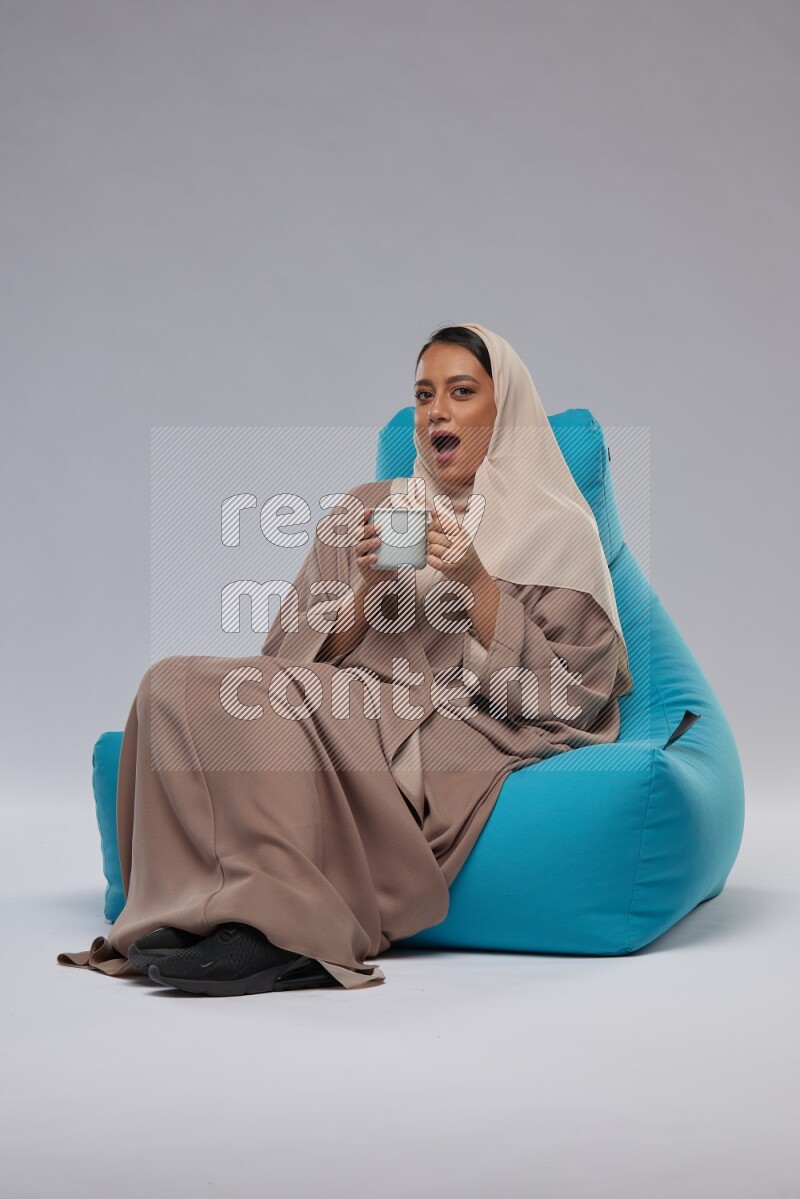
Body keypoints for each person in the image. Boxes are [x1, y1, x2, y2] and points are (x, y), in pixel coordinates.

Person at [57, 322, 633, 996]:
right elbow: (279, 657)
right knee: (171, 686)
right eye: (423, 395)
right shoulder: (372, 509)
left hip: (455, 727)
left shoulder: (555, 529)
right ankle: (191, 909)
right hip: (349, 700)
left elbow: (574, 696)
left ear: (504, 411)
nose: (436, 411)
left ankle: (279, 931)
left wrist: (477, 583)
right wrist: (370, 595)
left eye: (461, 391)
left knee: (279, 710)